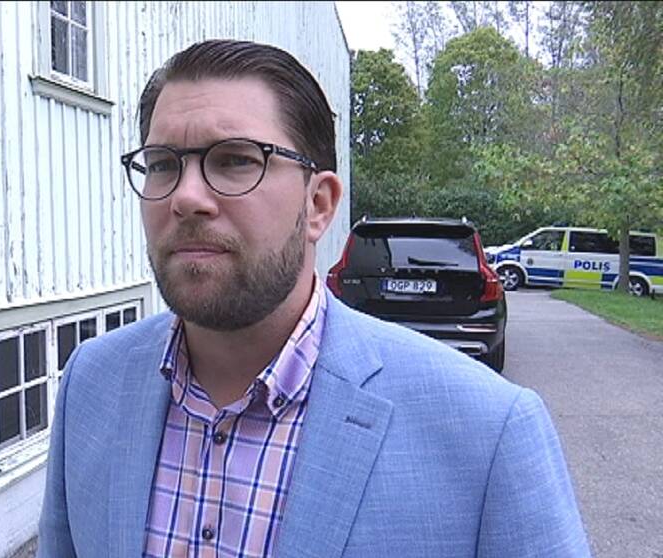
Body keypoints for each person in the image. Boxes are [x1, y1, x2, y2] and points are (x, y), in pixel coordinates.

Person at [38, 39, 590, 558]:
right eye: (162, 164)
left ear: (318, 205)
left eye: (235, 159)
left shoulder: (488, 432)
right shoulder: (92, 382)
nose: (185, 197)